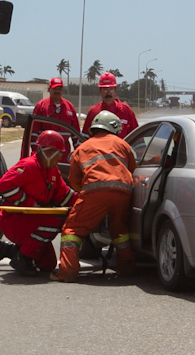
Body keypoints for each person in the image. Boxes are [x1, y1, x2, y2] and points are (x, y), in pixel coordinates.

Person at [56, 111, 137, 282]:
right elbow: (132, 167)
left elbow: (74, 180)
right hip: (124, 193)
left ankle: (67, 273)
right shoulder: (122, 144)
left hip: (95, 193)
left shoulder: (81, 148)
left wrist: (88, 193)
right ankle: (127, 269)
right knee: (120, 231)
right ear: (114, 128)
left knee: (72, 230)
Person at [0, 130, 76, 276]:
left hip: (33, 219)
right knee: (55, 221)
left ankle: (4, 249)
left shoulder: (52, 170)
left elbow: (64, 194)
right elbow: (4, 185)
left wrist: (85, 201)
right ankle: (22, 258)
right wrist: (29, 203)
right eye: (59, 153)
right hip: (15, 220)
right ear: (48, 152)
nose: (61, 156)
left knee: (48, 264)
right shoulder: (28, 166)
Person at [83, 73, 139, 138]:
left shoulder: (126, 110)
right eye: (105, 89)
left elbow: (137, 137)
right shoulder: (93, 112)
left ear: (115, 91)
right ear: (100, 91)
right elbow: (85, 139)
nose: (108, 93)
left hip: (121, 148)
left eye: (111, 89)